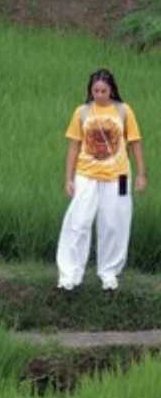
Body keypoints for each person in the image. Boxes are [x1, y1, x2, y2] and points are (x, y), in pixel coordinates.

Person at [57, 69, 146, 291]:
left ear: (112, 90)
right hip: (86, 174)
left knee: (116, 222)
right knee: (78, 222)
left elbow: (135, 143)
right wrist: (68, 178)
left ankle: (109, 272)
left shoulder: (124, 111)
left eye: (103, 90)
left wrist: (142, 174)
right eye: (95, 90)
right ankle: (69, 274)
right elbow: (74, 146)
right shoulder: (82, 112)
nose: (99, 94)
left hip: (121, 176)